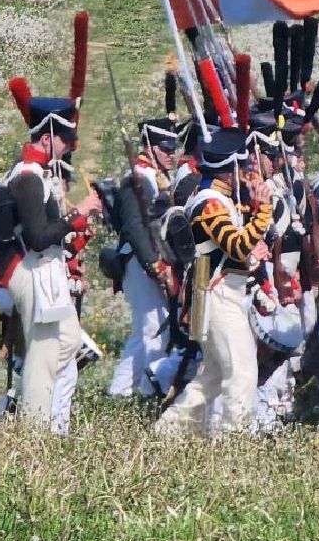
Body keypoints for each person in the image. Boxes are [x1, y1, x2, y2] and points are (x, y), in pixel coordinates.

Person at [155, 127, 276, 437]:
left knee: (209, 379)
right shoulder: (210, 202)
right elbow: (235, 245)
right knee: (243, 372)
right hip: (217, 294)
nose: (248, 171)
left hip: (227, 292)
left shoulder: (222, 200)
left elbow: (240, 248)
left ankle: (167, 433)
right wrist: (261, 212)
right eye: (244, 166)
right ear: (231, 167)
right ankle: (234, 443)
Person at [2, 91, 101, 430]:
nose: (70, 146)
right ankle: (33, 428)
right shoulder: (27, 177)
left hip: (43, 269)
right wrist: (79, 216)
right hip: (29, 269)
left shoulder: (40, 174)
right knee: (43, 357)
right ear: (47, 137)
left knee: (69, 341)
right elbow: (37, 237)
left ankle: (32, 406)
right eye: (65, 139)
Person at [108, 117, 177, 398]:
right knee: (150, 327)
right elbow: (135, 229)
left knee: (154, 327)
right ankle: (138, 391)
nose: (171, 154)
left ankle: (126, 390)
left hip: (151, 260)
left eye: (173, 148)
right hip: (140, 261)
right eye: (165, 149)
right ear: (149, 147)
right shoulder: (136, 179)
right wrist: (154, 264)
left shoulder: (154, 178)